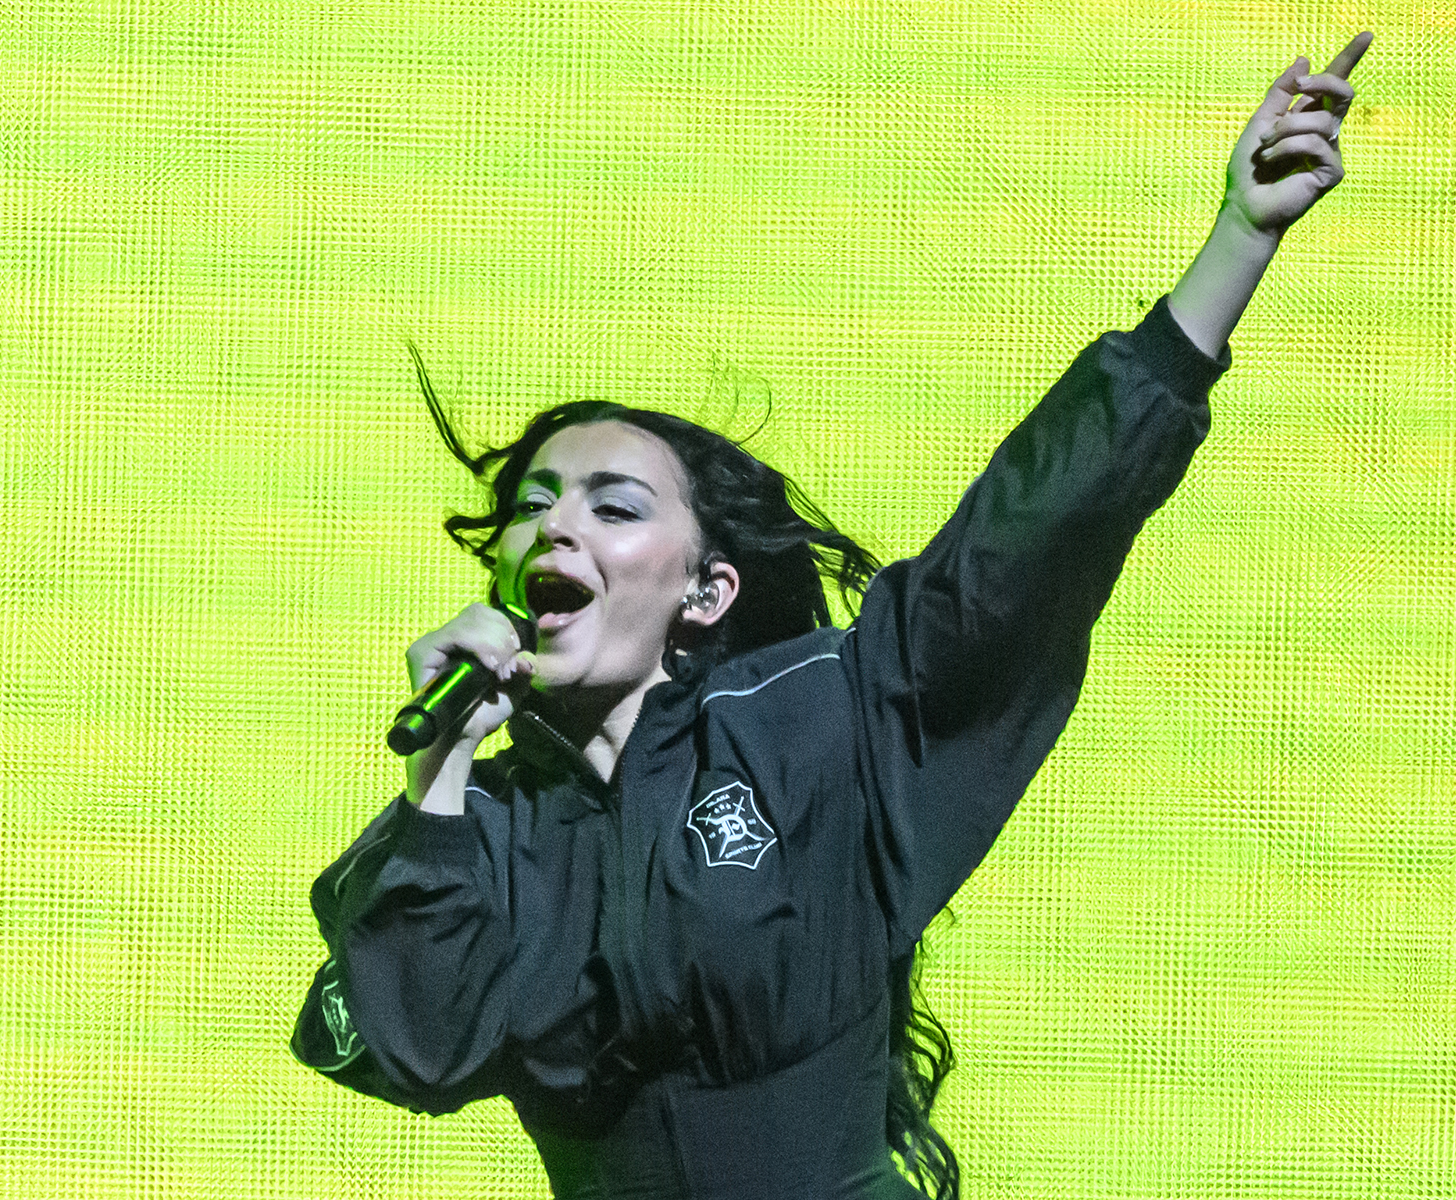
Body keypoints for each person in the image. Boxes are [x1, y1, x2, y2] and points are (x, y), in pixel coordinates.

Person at [290, 33, 1372, 1200]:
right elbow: (413, 1050)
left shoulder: (811, 720)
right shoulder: (473, 831)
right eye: (533, 508)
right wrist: (438, 781)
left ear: (705, 591)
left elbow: (1017, 547)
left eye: (613, 508)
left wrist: (1234, 244)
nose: (556, 531)